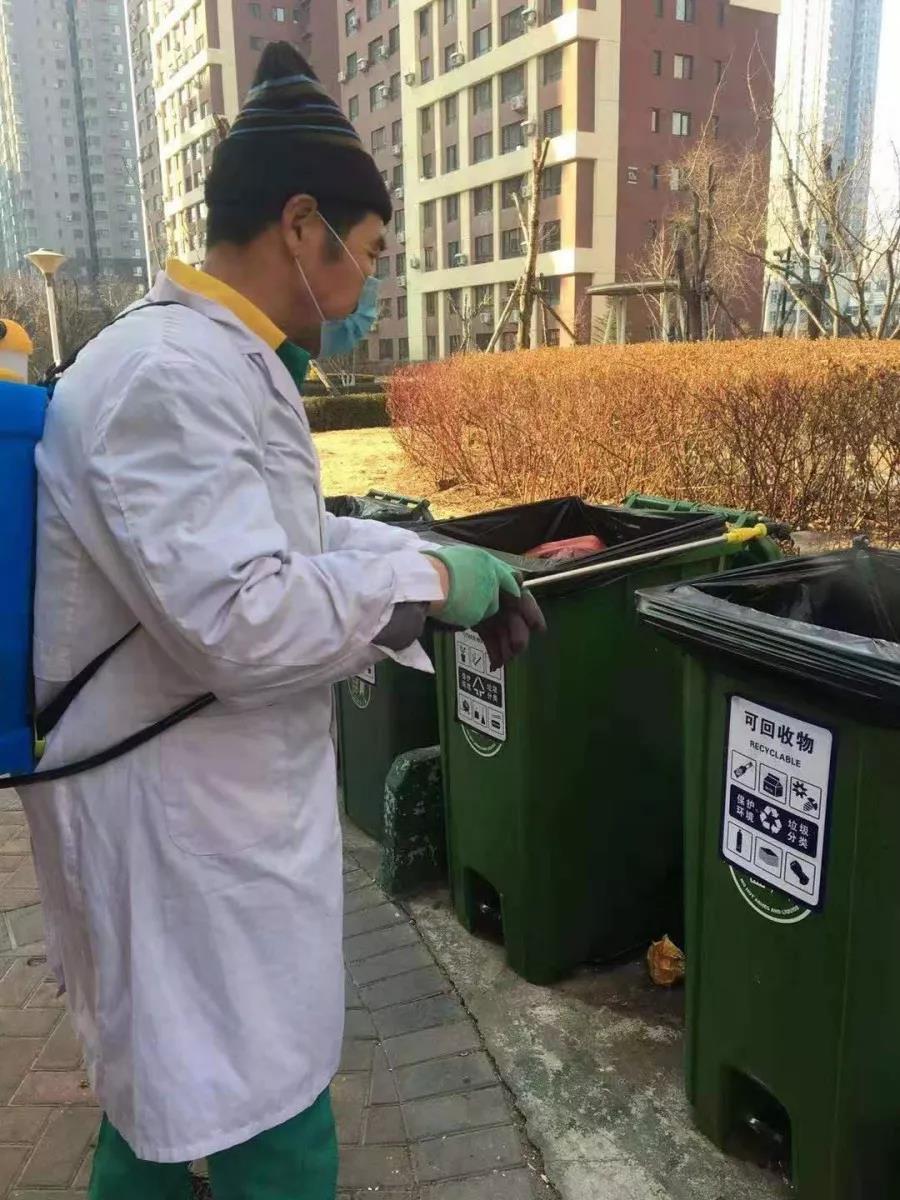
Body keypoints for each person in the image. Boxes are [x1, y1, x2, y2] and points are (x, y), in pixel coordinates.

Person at [26, 41, 544, 1200]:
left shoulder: (212, 362)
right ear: (302, 227)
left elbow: (290, 545)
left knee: (169, 1115)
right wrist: (425, 584)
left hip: (206, 817)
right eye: (370, 255)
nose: (370, 290)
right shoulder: (164, 376)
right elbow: (245, 617)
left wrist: (436, 565)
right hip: (179, 833)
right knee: (263, 1118)